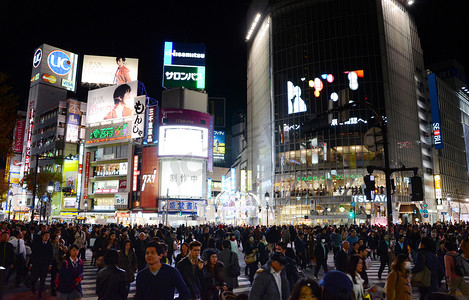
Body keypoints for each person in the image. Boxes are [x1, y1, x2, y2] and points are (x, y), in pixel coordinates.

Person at [30, 231, 53, 298]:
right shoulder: (37, 244)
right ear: (42, 236)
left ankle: (40, 293)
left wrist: (50, 265)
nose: (47, 237)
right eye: (46, 235)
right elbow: (33, 254)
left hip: (45, 265)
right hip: (36, 264)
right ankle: (33, 287)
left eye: (48, 236)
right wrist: (31, 263)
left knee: (43, 280)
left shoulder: (49, 245)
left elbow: (50, 255)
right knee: (35, 278)